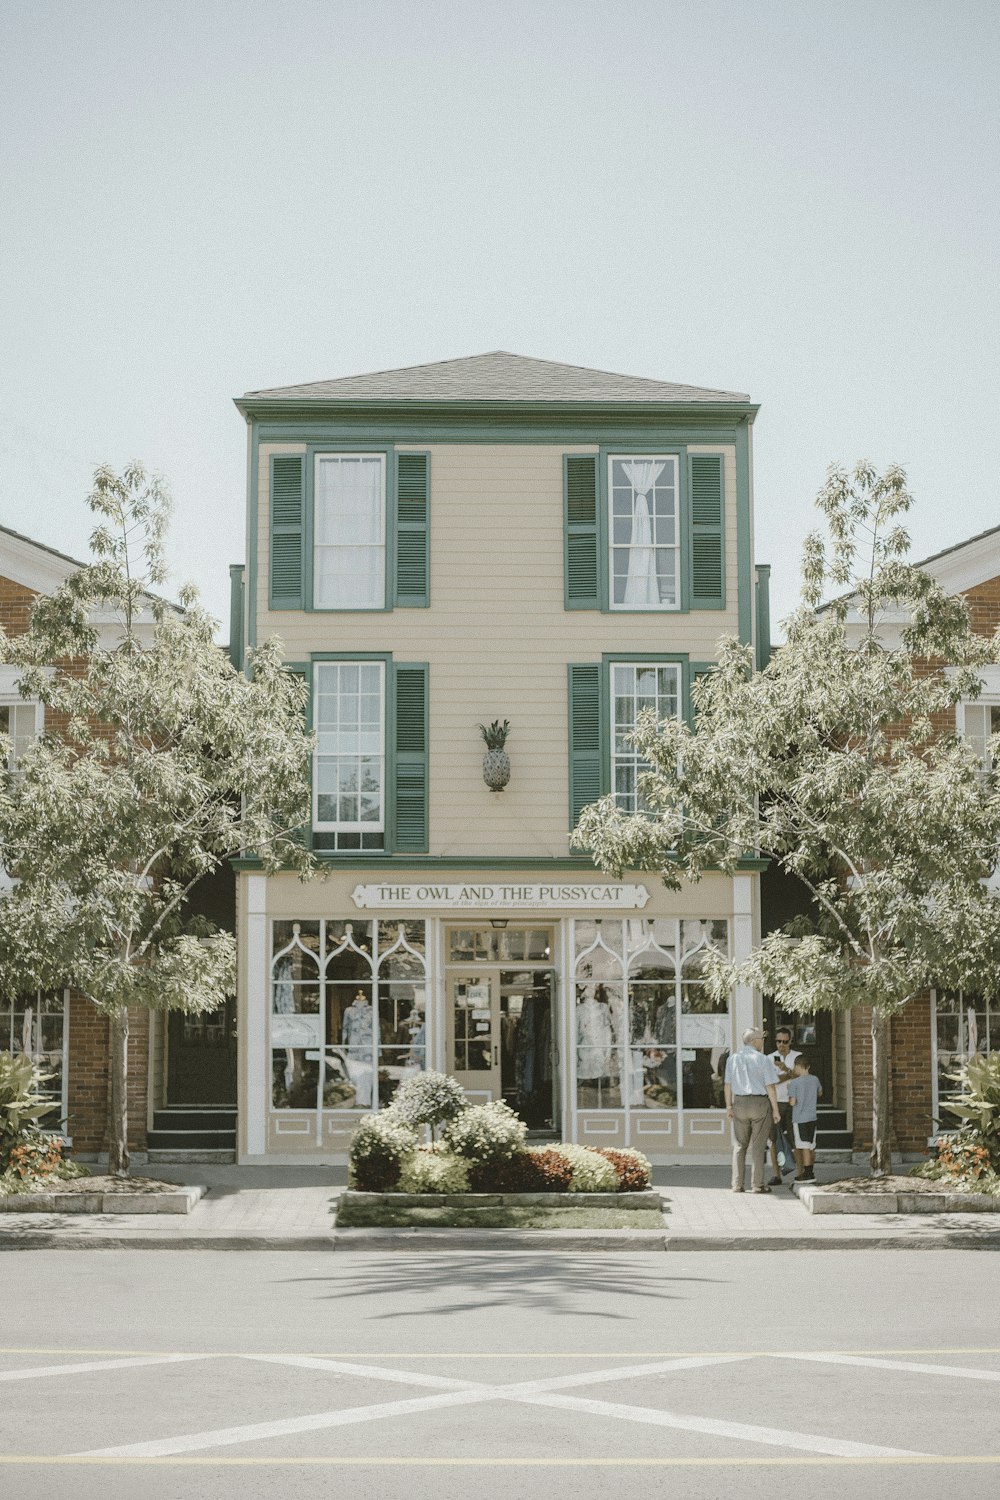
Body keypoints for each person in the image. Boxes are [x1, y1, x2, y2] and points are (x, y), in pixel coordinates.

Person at [724, 1026, 781, 1193]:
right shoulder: (763, 1059)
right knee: (758, 1145)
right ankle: (757, 1184)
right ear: (754, 1041)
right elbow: (771, 1087)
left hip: (739, 1103)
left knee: (739, 1145)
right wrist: (776, 1110)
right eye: (761, 1039)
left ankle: (737, 1184)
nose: (762, 1042)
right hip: (759, 1103)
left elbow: (727, 1085)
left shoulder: (732, 1059)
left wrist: (729, 1106)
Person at [767, 1026, 801, 1184]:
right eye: (778, 1041)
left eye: (785, 1042)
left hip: (794, 1102)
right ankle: (776, 1174)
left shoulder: (797, 1057)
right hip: (776, 1103)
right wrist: (789, 1074)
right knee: (774, 1139)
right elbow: (770, 1082)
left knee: (796, 1139)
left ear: (790, 1042)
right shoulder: (769, 1058)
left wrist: (785, 1070)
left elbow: (801, 1076)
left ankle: (800, 1173)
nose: (781, 1045)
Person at [786, 1054, 823, 1182]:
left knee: (804, 1146)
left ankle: (807, 1174)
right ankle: (811, 1170)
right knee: (811, 1145)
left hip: (800, 1118)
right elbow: (820, 1093)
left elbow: (792, 1102)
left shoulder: (794, 1083)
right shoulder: (815, 1079)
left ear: (797, 1066)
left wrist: (789, 1093)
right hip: (812, 1117)